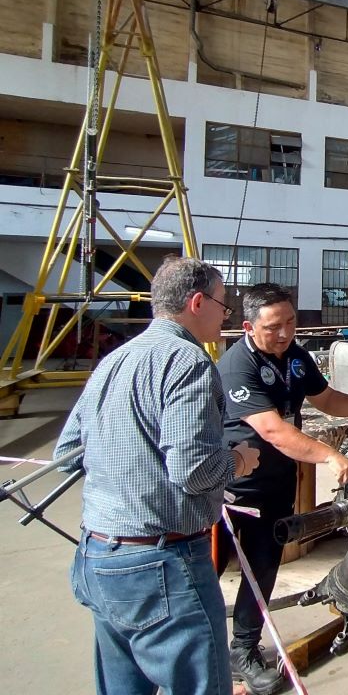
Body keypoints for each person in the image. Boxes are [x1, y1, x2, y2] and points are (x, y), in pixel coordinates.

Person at [54, 256, 261, 695]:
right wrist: (239, 460)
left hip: (98, 558)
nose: (227, 315)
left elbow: (69, 453)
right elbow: (193, 469)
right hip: (161, 566)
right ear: (198, 302)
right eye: (225, 305)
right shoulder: (188, 362)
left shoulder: (115, 360)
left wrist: (130, 465)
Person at [216, 282, 348, 695]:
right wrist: (330, 456)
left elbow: (326, 398)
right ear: (248, 326)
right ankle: (198, 652)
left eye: (291, 322)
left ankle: (242, 651)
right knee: (204, 574)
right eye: (274, 326)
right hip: (230, 489)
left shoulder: (295, 356)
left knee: (261, 571)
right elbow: (274, 430)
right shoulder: (236, 365)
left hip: (276, 484)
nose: (284, 333)